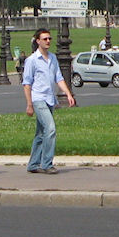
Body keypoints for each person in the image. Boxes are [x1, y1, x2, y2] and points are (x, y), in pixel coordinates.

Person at [23, 27, 74, 174]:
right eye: (44, 39)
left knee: (41, 133)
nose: (48, 41)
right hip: (38, 98)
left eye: (49, 38)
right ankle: (46, 164)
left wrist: (68, 94)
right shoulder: (32, 60)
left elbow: (59, 78)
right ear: (38, 41)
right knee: (50, 129)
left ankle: (33, 164)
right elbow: (27, 84)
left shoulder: (52, 58)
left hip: (50, 99)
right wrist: (29, 104)